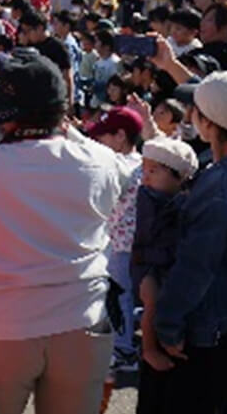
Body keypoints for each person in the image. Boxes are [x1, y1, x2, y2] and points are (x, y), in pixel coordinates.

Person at [0, 49, 130, 414]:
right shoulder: (101, 162)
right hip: (83, 321)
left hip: (7, 326)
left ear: (11, 121)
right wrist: (70, 130)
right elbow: (117, 169)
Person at [152, 71, 227, 411]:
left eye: (195, 111)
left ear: (209, 123)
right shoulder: (214, 173)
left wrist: (167, 324)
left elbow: (197, 265)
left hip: (212, 330)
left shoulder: (217, 185)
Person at [131, 138, 198, 411]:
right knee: (153, 301)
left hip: (163, 263)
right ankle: (149, 349)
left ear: (179, 177)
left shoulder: (178, 198)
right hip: (151, 264)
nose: (146, 177)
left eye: (154, 171)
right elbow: (152, 238)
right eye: (144, 170)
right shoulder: (150, 198)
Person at [88, 106, 146, 374]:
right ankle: (122, 345)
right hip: (128, 242)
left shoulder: (124, 166)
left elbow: (110, 208)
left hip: (122, 244)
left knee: (120, 297)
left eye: (104, 135)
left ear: (120, 136)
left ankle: (124, 350)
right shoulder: (139, 163)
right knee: (123, 297)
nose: (99, 141)